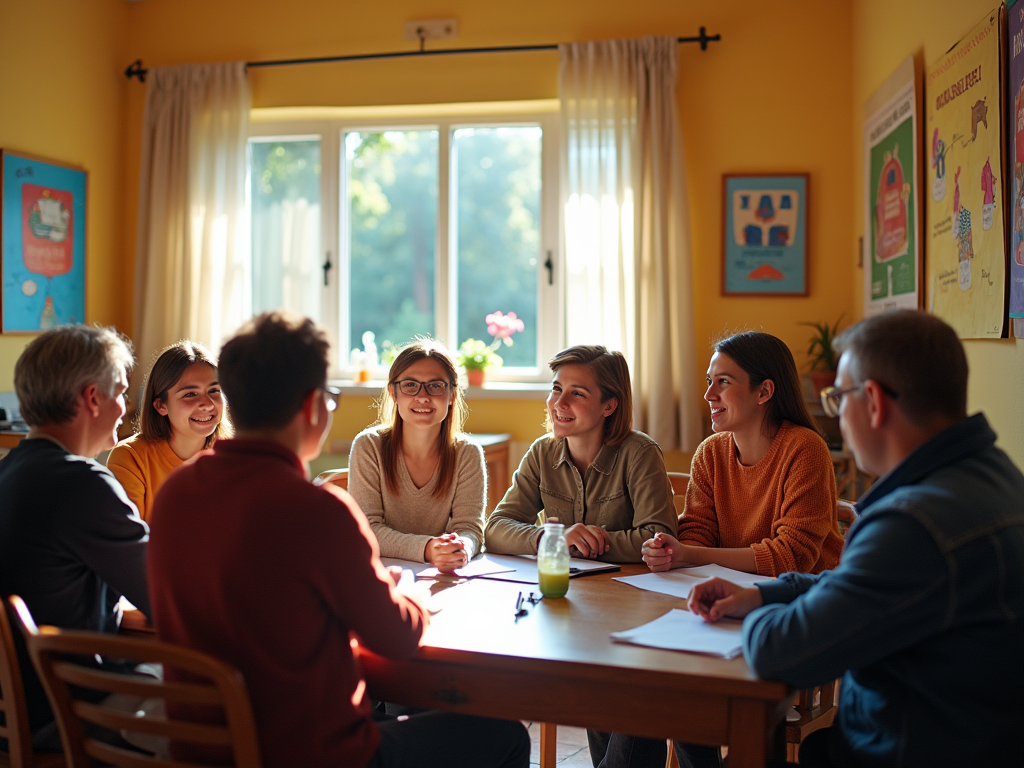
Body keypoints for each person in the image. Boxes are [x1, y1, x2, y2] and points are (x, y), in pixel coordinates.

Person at [147, 311, 529, 768]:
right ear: (312, 407)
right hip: (309, 753)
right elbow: (398, 637)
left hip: (205, 749)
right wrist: (405, 593)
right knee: (503, 735)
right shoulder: (319, 511)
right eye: (329, 397)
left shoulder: (175, 494)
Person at [688, 310, 1024, 767]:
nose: (835, 415)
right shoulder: (996, 476)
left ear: (873, 401)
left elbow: (777, 651)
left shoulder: (912, 525)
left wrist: (749, 616)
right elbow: (856, 584)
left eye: (838, 398)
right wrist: (764, 593)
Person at [0, 324, 150, 742]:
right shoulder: (82, 483)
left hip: (16, 710)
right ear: (92, 397)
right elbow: (166, 595)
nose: (125, 407)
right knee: (222, 699)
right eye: (120, 393)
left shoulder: (8, 472)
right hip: (63, 711)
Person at [642, 331, 843, 577]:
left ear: (764, 392)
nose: (708, 395)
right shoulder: (710, 452)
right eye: (709, 381)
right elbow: (696, 534)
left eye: (724, 381)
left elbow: (792, 557)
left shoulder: (806, 448)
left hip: (806, 596)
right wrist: (670, 553)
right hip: (730, 587)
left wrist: (688, 554)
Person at [485, 344, 677, 562]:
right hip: (561, 586)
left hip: (625, 590)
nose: (559, 403)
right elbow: (494, 530)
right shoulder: (541, 452)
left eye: (577, 394)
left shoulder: (640, 454)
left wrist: (579, 544)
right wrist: (554, 540)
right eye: (556, 389)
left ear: (609, 407)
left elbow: (660, 539)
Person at [348, 339, 484, 572]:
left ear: (451, 395)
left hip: (442, 576)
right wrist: (428, 548)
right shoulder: (368, 446)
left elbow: (470, 529)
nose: (422, 396)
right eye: (410, 385)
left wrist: (462, 548)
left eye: (436, 386)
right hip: (380, 576)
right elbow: (367, 528)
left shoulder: (468, 453)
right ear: (393, 392)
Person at [107, 340, 228, 522]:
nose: (207, 404)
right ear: (161, 405)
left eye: (214, 390)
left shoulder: (234, 458)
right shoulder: (130, 458)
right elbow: (127, 542)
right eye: (190, 394)